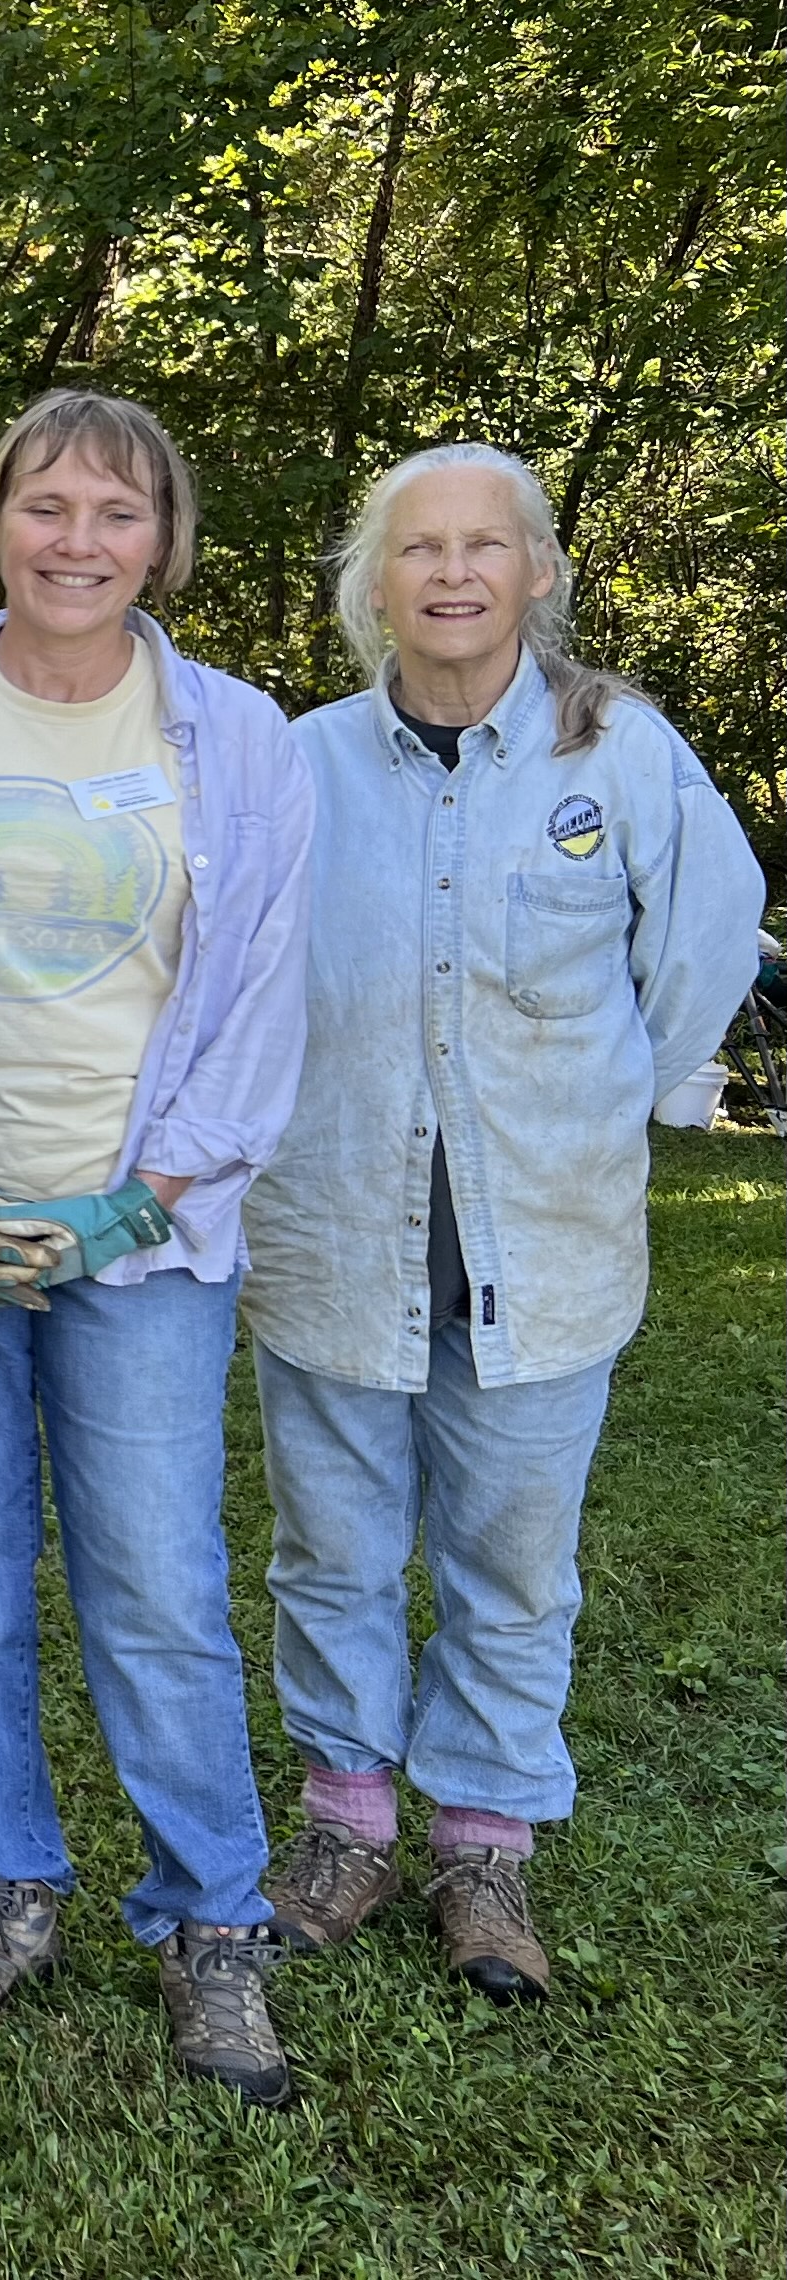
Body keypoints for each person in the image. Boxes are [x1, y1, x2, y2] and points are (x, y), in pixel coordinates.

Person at [242, 443, 760, 2004]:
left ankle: (484, 1844)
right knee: (330, 1544)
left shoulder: (623, 756)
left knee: (514, 1559)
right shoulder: (300, 762)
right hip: (336, 1222)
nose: (454, 573)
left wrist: (634, 1097)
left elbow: (707, 942)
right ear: (374, 584)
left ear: (537, 572)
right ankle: (344, 1822)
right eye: (420, 549)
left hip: (548, 1234)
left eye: (487, 546)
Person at [0, 391, 315, 2105]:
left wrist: (129, 1208)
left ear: (164, 541)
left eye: (115, 515)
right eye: (45, 505)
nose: (76, 541)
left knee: (159, 1590)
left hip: (140, 1239)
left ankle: (211, 1919)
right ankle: (2, 1883)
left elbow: (264, 1002)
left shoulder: (236, 736)